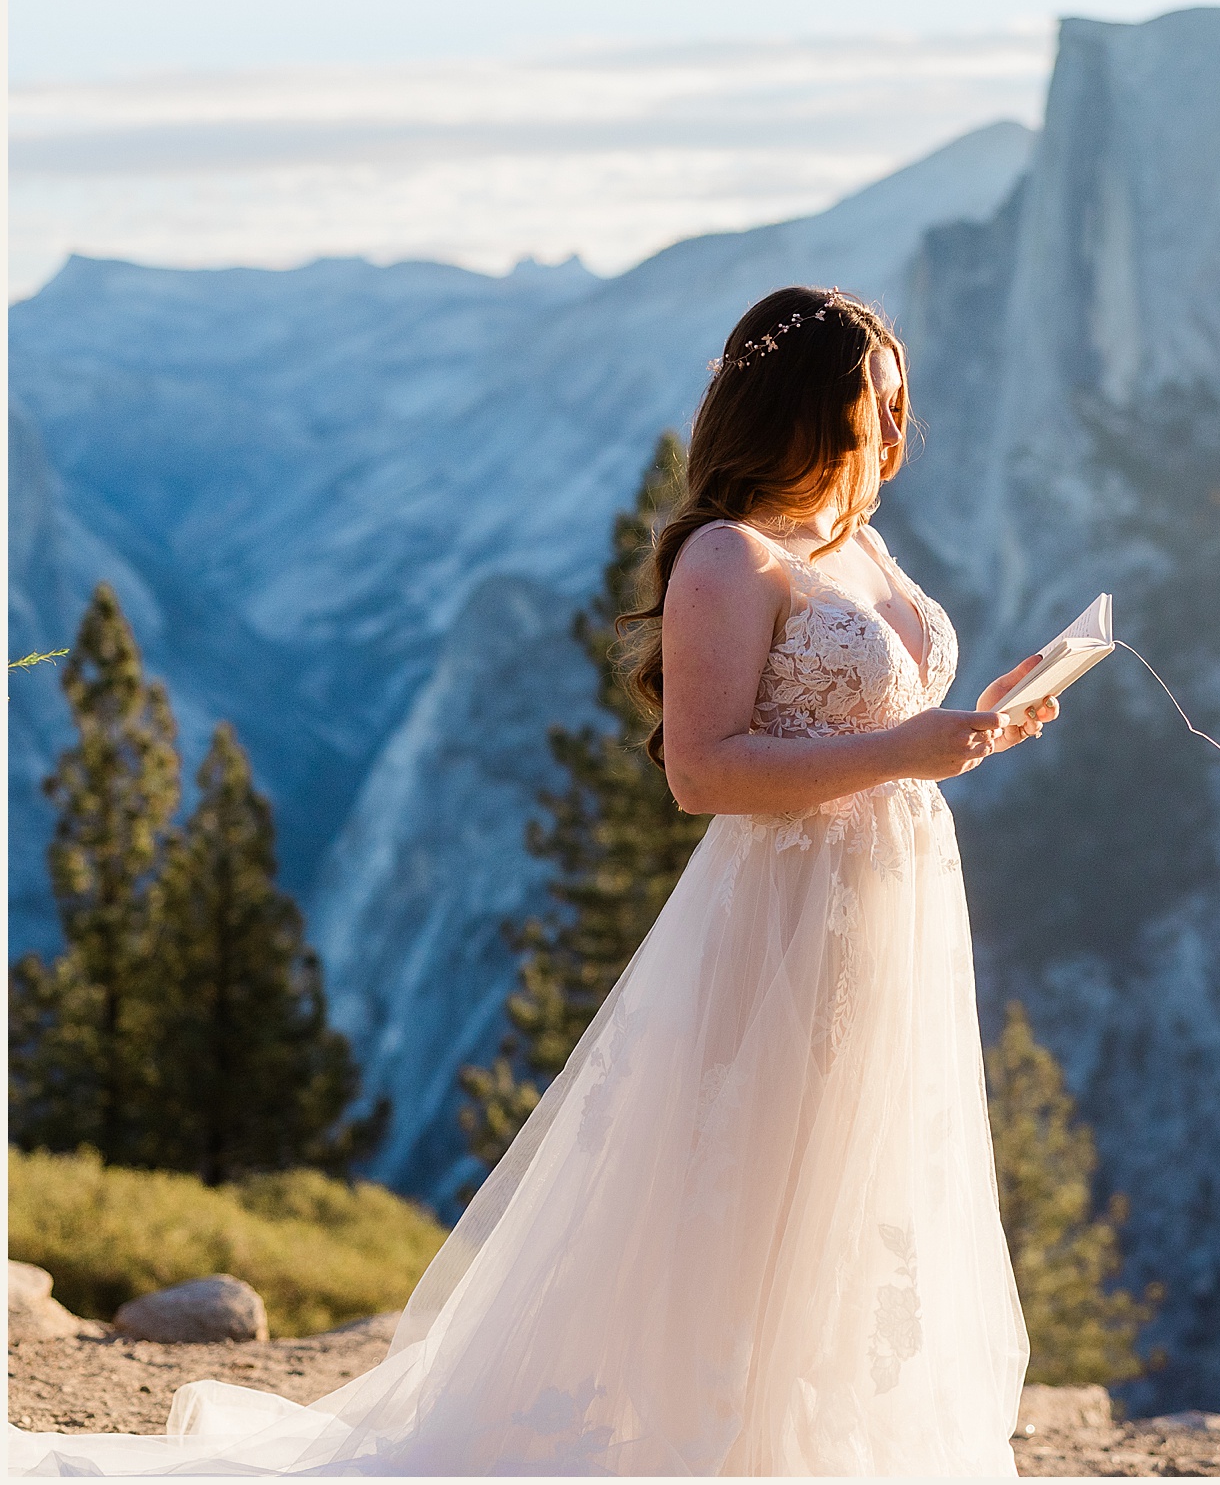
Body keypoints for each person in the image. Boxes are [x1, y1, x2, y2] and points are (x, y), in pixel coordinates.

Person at [11, 286, 1058, 1476]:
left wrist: (969, 726)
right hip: (777, 919)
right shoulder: (730, 557)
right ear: (810, 406)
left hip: (891, 911)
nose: (899, 429)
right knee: (755, 1186)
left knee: (864, 1188)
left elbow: (880, 719)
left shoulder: (855, 539)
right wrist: (907, 750)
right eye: (882, 403)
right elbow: (703, 771)